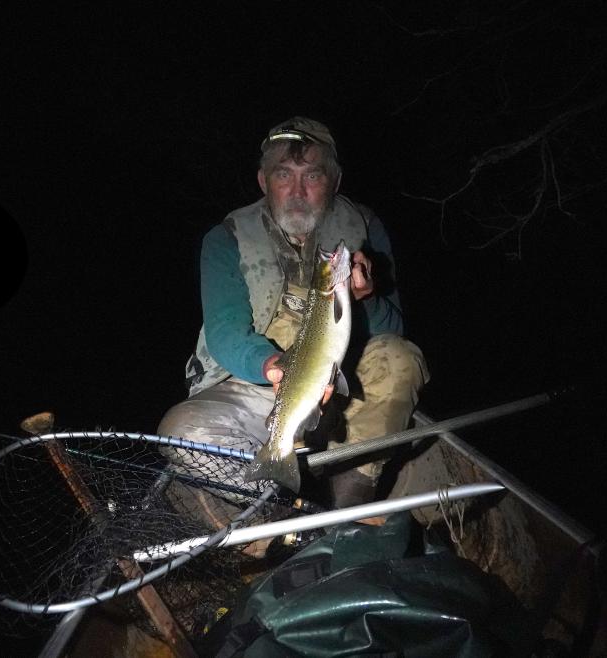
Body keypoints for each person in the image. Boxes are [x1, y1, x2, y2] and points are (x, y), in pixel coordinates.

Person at [158, 117, 429, 529]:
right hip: (259, 384)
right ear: (264, 181)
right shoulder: (225, 238)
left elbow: (394, 327)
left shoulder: (366, 227)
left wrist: (365, 300)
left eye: (313, 176)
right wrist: (273, 367)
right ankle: (279, 525)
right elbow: (225, 332)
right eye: (284, 175)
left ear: (335, 181)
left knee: (402, 358)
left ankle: (351, 505)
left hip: (343, 379)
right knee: (179, 431)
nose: (298, 192)